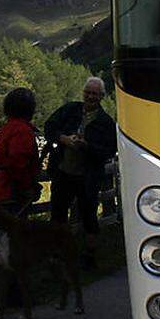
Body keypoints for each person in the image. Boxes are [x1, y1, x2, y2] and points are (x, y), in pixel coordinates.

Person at [44, 77, 116, 268]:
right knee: (58, 213)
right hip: (63, 172)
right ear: (83, 93)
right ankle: (57, 253)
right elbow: (49, 127)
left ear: (101, 96)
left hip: (88, 177)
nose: (90, 96)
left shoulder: (106, 122)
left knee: (88, 215)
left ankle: (89, 256)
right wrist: (63, 139)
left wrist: (87, 147)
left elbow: (109, 150)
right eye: (88, 92)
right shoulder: (69, 110)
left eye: (95, 94)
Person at [0, 88, 41, 215]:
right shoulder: (23, 131)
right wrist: (27, 188)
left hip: (2, 189)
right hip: (12, 192)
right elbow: (17, 164)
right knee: (13, 231)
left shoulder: (8, 128)